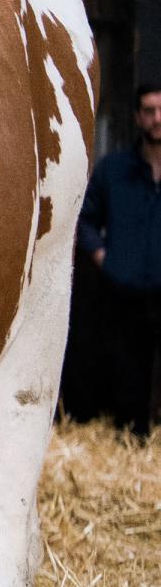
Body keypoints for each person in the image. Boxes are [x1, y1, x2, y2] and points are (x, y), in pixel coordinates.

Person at [74, 84, 161, 433]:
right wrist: (103, 257)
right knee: (128, 378)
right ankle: (133, 438)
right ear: (138, 117)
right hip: (123, 295)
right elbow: (84, 219)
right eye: (150, 111)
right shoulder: (114, 169)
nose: (157, 119)